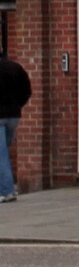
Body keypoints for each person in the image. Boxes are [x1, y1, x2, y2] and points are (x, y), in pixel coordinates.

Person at [0, 47, 30, 202]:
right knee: (4, 152)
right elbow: (27, 90)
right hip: (13, 115)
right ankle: (6, 188)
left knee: (1, 155)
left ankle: (6, 191)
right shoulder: (15, 67)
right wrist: (18, 105)